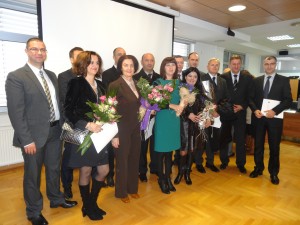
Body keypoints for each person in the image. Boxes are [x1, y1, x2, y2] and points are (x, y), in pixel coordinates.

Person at [5, 37, 77, 225]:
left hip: (55, 132)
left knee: (54, 168)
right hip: (33, 136)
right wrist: (26, 140)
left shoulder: (51, 75)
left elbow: (57, 104)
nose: (39, 53)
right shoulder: (17, 76)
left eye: (42, 49)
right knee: (33, 174)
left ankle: (56, 199)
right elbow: (16, 112)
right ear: (27, 51)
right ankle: (34, 211)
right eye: (34, 49)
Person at [64, 51, 109, 220]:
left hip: (101, 134)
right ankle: (88, 205)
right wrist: (87, 123)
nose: (94, 65)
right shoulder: (76, 83)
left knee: (104, 169)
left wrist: (106, 117)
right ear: (83, 64)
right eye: (91, 62)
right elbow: (69, 110)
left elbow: (107, 108)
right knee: (86, 171)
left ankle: (92, 203)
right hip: (85, 133)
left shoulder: (101, 85)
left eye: (97, 62)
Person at [249, 56, 292, 185]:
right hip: (259, 118)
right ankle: (258, 168)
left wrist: (275, 111)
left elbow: (288, 100)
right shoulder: (256, 80)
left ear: (275, 65)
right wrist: (254, 109)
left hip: (275, 120)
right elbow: (250, 98)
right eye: (266, 64)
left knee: (274, 147)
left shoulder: (283, 80)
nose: (269, 66)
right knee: (258, 146)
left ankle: (273, 173)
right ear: (264, 65)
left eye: (271, 64)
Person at [110, 55, 141, 203]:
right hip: (121, 129)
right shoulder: (115, 85)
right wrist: (114, 135)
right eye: (126, 65)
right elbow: (109, 111)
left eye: (132, 65)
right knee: (122, 161)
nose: (129, 68)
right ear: (121, 67)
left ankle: (132, 188)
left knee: (135, 158)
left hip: (136, 127)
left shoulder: (137, 84)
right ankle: (121, 192)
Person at [154, 57, 183, 194]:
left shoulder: (179, 83)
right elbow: (156, 102)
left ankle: (168, 178)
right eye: (168, 65)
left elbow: (186, 98)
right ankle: (161, 179)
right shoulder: (158, 82)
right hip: (162, 119)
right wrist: (174, 106)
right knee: (161, 152)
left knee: (170, 152)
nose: (171, 67)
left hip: (174, 121)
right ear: (163, 67)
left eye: (173, 65)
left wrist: (183, 104)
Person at [220, 55, 254, 173]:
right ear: (229, 65)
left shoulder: (248, 78)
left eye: (238, 63)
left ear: (241, 64)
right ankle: (224, 161)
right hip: (227, 114)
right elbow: (221, 96)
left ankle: (241, 164)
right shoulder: (223, 77)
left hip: (240, 113)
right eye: (233, 64)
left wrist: (242, 106)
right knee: (225, 139)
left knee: (240, 140)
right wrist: (228, 107)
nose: (236, 66)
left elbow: (250, 96)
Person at [174, 67, 208, 185]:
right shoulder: (179, 90)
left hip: (195, 125)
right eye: (190, 76)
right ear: (185, 77)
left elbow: (204, 107)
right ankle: (180, 173)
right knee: (183, 150)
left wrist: (203, 115)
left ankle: (187, 173)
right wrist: (188, 114)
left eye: (195, 76)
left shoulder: (199, 92)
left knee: (192, 149)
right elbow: (178, 107)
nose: (192, 78)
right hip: (183, 123)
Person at [195, 58, 229, 173]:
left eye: (216, 65)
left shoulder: (222, 81)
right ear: (207, 66)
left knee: (212, 139)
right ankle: (199, 163)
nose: (214, 67)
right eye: (212, 65)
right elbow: (202, 97)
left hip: (216, 115)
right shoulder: (202, 79)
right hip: (204, 113)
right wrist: (210, 111)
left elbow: (225, 98)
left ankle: (210, 162)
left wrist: (217, 109)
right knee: (202, 138)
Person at [58, 46, 83, 199]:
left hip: (87, 124)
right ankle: (67, 186)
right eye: (78, 56)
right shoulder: (64, 76)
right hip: (71, 123)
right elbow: (64, 101)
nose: (81, 60)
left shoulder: (88, 75)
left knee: (85, 156)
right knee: (68, 158)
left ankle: (84, 185)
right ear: (71, 59)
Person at [133, 53, 160, 182]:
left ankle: (155, 167)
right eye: (146, 60)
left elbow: (163, 97)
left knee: (155, 144)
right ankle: (142, 170)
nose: (149, 63)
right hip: (143, 118)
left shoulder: (159, 78)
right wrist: (145, 109)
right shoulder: (135, 78)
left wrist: (156, 108)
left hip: (157, 118)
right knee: (142, 145)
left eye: (152, 60)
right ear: (142, 62)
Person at [101, 47, 126, 187]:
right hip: (113, 115)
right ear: (114, 57)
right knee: (112, 149)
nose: (121, 57)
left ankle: (122, 174)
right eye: (119, 54)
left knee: (123, 149)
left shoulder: (129, 73)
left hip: (127, 117)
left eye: (124, 55)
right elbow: (108, 96)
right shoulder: (107, 74)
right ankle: (110, 176)